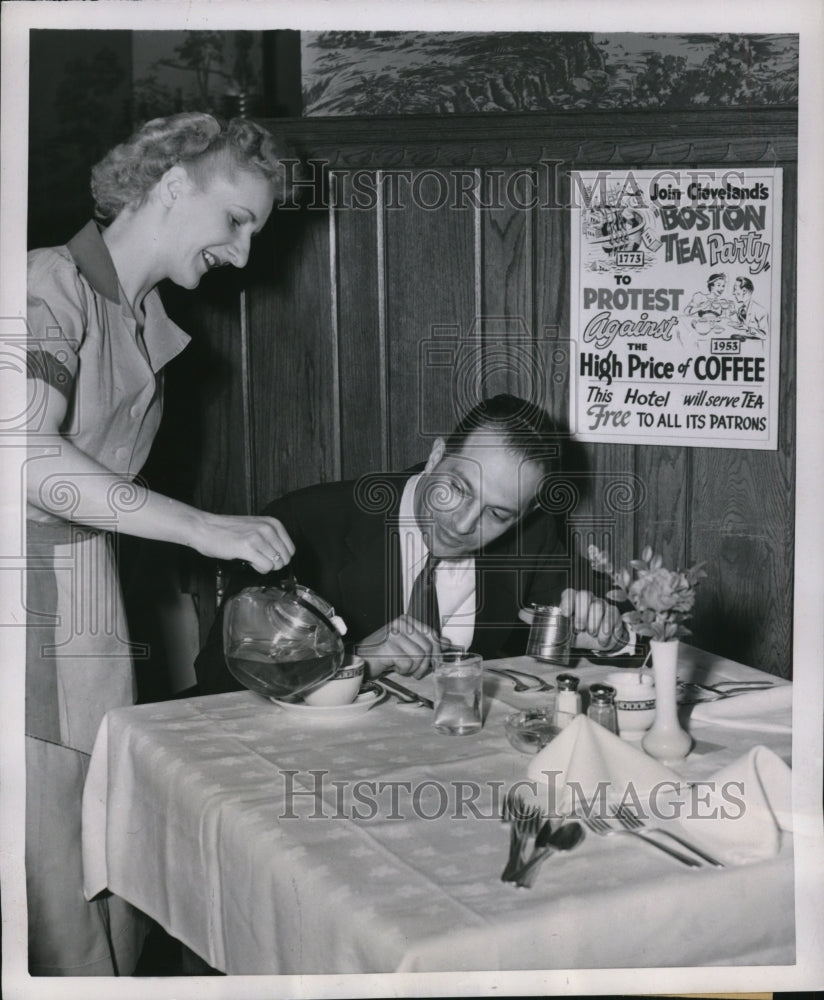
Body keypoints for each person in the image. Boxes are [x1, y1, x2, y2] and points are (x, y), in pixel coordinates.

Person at [25, 112, 296, 976]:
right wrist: (204, 527)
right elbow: (24, 458)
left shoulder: (142, 319)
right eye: (237, 221)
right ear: (174, 185)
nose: (246, 255)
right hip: (23, 601)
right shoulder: (46, 284)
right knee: (55, 875)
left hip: (90, 597)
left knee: (110, 856)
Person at [195, 394, 626, 695]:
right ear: (436, 456)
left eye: (497, 514)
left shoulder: (531, 537)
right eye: (457, 488)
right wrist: (351, 659)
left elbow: (634, 629)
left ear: (524, 515)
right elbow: (219, 677)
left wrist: (607, 634)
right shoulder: (306, 523)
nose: (463, 522)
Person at [731, 276, 769, 340]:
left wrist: (747, 329)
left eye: (735, 289)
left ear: (744, 291)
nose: (733, 293)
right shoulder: (740, 309)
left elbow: (765, 335)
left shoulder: (760, 310)